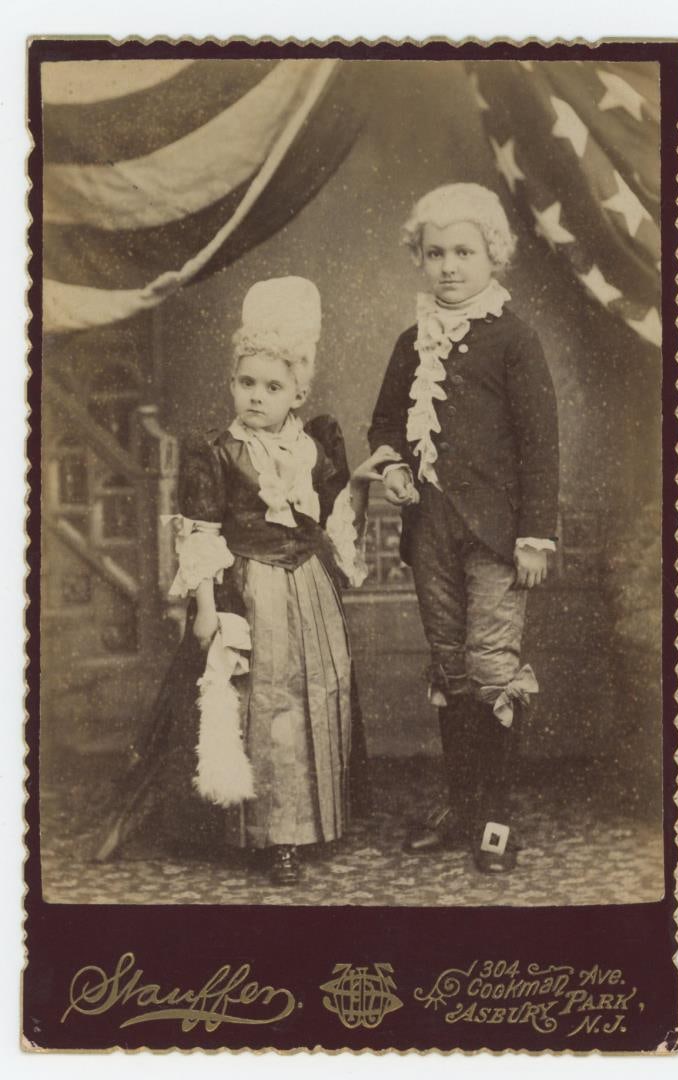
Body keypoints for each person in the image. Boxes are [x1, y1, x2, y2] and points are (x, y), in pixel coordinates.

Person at [96, 276, 397, 886]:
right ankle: (264, 835)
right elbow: (201, 532)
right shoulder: (217, 451)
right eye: (246, 383)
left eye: (273, 386)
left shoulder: (316, 445)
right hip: (248, 591)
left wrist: (361, 481)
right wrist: (205, 608)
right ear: (232, 382)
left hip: (308, 589)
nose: (256, 396)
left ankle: (308, 826)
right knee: (263, 703)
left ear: (298, 391)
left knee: (314, 696)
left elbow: (332, 518)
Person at [368, 184, 559, 873]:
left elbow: (541, 441)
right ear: (420, 258)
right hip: (432, 532)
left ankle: (497, 817)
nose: (450, 265)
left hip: (499, 535)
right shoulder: (408, 341)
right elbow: (386, 423)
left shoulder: (513, 336)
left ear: (492, 256)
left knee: (492, 668)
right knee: (450, 666)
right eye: (436, 252)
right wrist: (391, 467)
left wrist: (536, 534)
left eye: (464, 252)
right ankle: (462, 802)